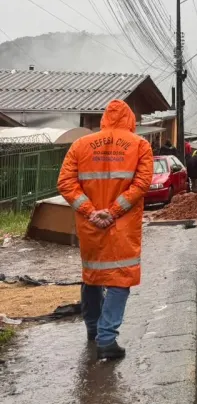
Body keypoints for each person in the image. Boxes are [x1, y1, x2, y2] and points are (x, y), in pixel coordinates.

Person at [57, 99, 152, 361]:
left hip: (91, 226)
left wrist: (90, 211)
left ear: (104, 119)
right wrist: (114, 212)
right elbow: (142, 184)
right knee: (121, 277)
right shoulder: (140, 145)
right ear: (130, 120)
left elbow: (65, 183)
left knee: (92, 276)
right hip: (122, 226)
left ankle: (93, 329)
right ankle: (107, 339)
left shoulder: (81, 145)